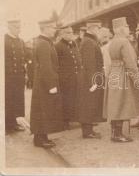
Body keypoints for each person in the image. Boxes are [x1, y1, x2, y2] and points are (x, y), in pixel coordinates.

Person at [103, 17, 139, 142]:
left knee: (115, 103)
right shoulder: (124, 42)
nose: (128, 29)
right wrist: (137, 79)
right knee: (122, 103)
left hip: (114, 73)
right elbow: (130, 63)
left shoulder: (113, 41)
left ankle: (115, 132)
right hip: (123, 74)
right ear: (120, 29)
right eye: (126, 27)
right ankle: (118, 134)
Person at [30, 19, 64, 148]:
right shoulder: (44, 44)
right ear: (45, 28)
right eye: (52, 28)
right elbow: (46, 66)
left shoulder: (44, 42)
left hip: (43, 82)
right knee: (43, 110)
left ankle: (41, 137)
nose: (54, 30)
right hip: (45, 83)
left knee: (43, 109)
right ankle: (40, 139)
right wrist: (51, 85)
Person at [79, 20, 106, 139]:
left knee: (89, 104)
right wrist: (93, 82)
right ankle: (87, 132)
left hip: (91, 77)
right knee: (89, 104)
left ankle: (88, 130)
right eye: (98, 28)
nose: (99, 31)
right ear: (93, 28)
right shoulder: (89, 42)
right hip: (90, 79)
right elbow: (89, 64)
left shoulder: (89, 40)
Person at [55, 26, 83, 130]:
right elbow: (56, 64)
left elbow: (77, 58)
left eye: (71, 32)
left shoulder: (74, 44)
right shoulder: (58, 46)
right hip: (65, 79)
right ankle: (65, 121)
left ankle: (75, 118)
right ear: (62, 34)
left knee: (76, 98)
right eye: (67, 33)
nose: (70, 35)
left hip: (76, 77)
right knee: (66, 100)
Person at [5, 19, 26, 134]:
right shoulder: (4, 40)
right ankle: (7, 125)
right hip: (8, 76)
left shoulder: (21, 41)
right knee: (8, 100)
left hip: (19, 76)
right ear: (10, 27)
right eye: (16, 27)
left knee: (17, 100)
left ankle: (13, 123)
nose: (19, 29)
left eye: (19, 27)